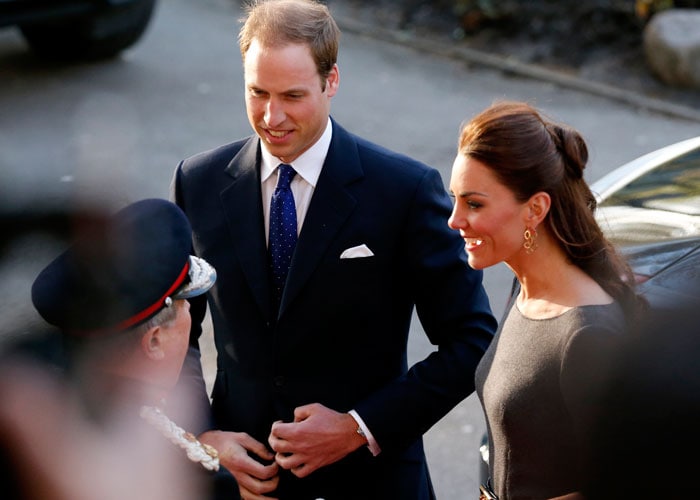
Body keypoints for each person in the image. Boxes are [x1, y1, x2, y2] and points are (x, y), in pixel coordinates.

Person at [169, 0, 497, 498]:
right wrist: (204, 437)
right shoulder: (198, 181)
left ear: (332, 81)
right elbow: (177, 328)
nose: (271, 116)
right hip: (238, 482)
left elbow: (472, 340)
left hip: (372, 483)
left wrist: (358, 427)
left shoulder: (404, 191)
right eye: (257, 92)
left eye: (293, 96)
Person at [447, 100, 644, 499]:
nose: (455, 219)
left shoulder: (588, 335)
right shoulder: (524, 291)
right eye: (455, 199)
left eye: (474, 203)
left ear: (535, 208)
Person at [0, 198, 238, 500]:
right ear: (154, 341)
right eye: (184, 304)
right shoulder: (198, 480)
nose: (190, 311)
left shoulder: (43, 408)